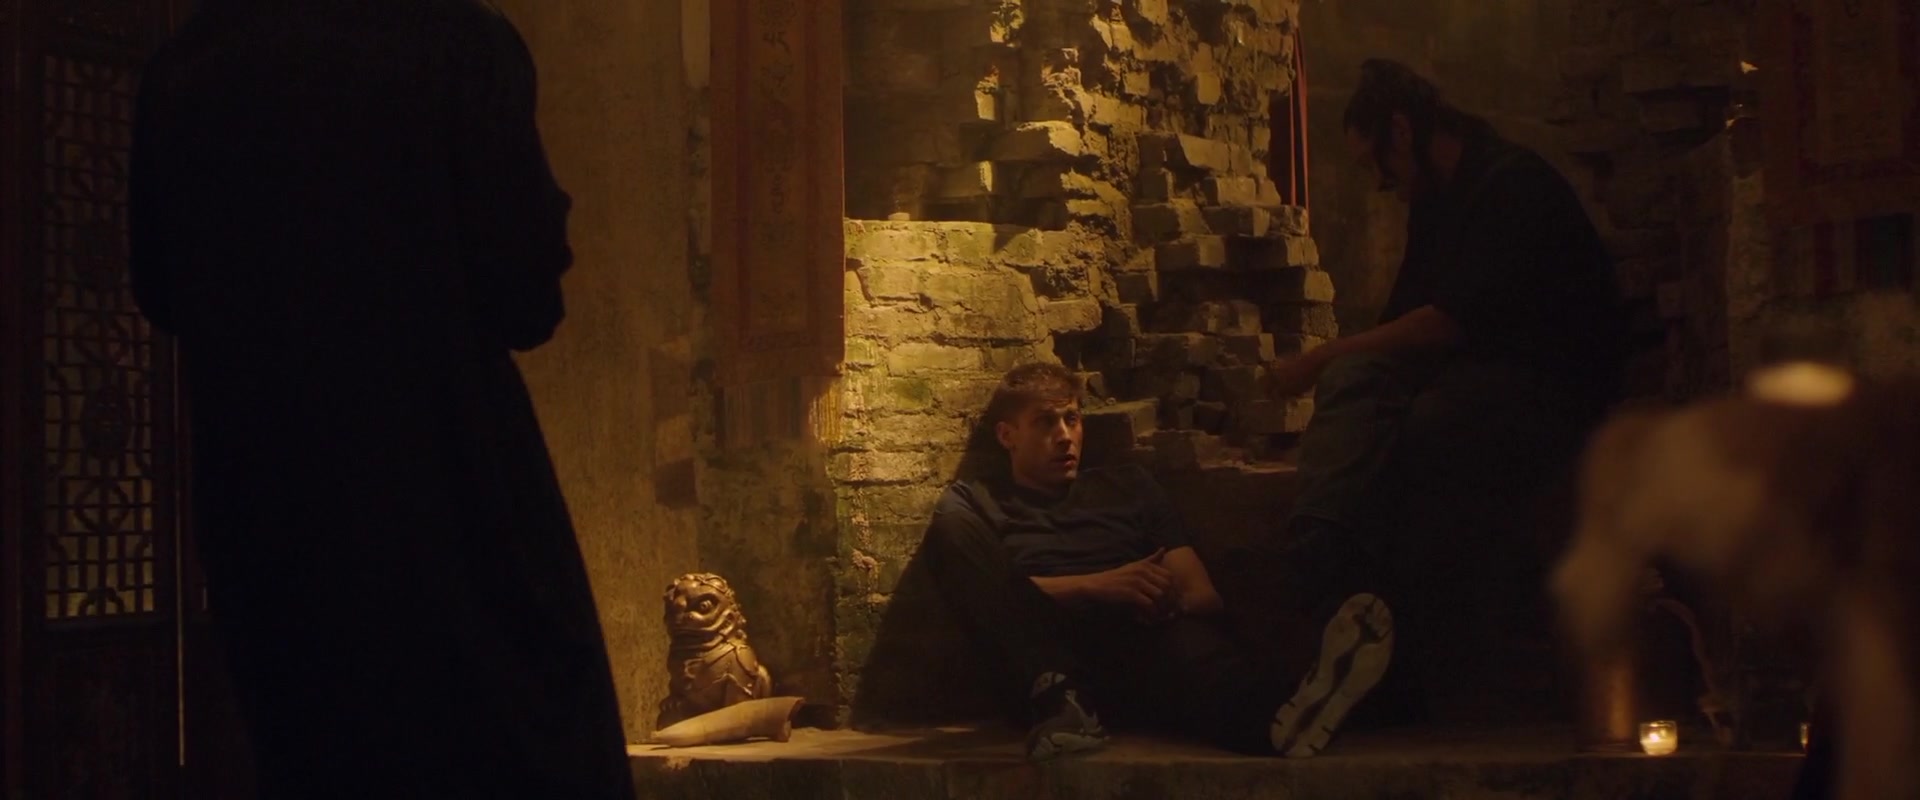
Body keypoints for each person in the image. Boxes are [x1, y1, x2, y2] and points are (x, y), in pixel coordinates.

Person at [128, 2, 632, 797]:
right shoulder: (452, 45)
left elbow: (159, 288)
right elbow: (527, 290)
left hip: (269, 528)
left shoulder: (188, 66)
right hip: (454, 516)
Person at [1246, 59, 1629, 632]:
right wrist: (1341, 367)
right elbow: (1404, 315)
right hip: (1474, 366)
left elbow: (1446, 321)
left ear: (1401, 132)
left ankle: (1427, 622)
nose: (1380, 183)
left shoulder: (1511, 185)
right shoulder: (1435, 198)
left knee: (1429, 424)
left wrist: (1323, 355)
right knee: (1355, 378)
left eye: (1374, 164)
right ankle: (1317, 550)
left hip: (1552, 380)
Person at [920, 363, 1394, 760]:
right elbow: (988, 600)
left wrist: (1160, 597)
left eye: (1072, 419)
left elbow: (1202, 594)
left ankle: (1300, 709)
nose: (1065, 436)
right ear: (1007, 435)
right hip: (1049, 656)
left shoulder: (1129, 486)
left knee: (1202, 663)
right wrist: (1097, 585)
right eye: (1046, 422)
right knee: (954, 533)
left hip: (1141, 637)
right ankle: (1068, 708)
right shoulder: (977, 503)